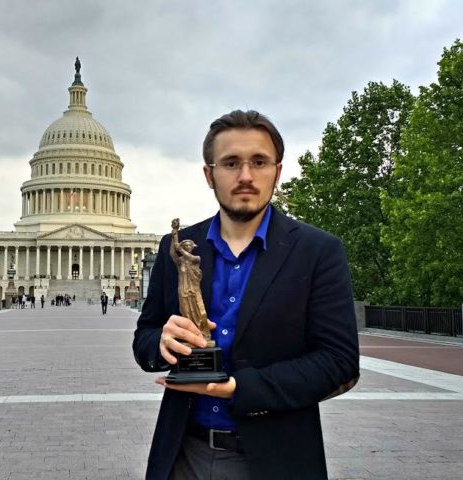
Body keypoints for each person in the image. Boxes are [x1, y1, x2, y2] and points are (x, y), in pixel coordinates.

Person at [132, 110, 359, 479]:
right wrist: (161, 342)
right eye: (231, 163)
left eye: (259, 161)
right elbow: (144, 340)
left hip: (278, 460)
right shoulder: (176, 248)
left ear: (278, 171)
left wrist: (240, 388)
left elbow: (339, 362)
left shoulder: (318, 251)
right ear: (209, 174)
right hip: (183, 456)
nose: (246, 176)